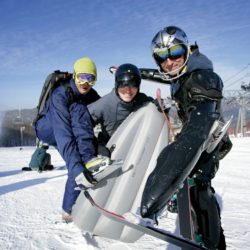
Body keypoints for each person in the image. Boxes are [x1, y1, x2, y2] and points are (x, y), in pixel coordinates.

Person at [140, 26, 232, 249]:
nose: (169, 61)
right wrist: (138, 72)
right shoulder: (182, 73)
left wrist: (153, 200)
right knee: (190, 188)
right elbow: (167, 76)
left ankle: (212, 245)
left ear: (187, 51)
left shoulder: (203, 78)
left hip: (207, 143)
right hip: (202, 140)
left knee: (199, 186)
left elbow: (197, 132)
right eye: (161, 57)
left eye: (175, 53)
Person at [34, 57, 113, 222]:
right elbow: (64, 134)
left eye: (90, 78)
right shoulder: (60, 95)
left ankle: (68, 210)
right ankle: (86, 162)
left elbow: (104, 105)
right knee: (79, 112)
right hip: (47, 128)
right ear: (74, 75)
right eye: (81, 77)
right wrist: (77, 168)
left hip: (65, 129)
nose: (85, 82)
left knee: (79, 161)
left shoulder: (89, 93)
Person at [87, 63, 153, 155]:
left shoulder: (141, 98)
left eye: (133, 85)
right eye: (123, 85)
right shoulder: (104, 104)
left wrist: (157, 105)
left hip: (135, 149)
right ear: (117, 84)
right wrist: (96, 146)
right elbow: (80, 125)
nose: (128, 91)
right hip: (111, 151)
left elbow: (153, 105)